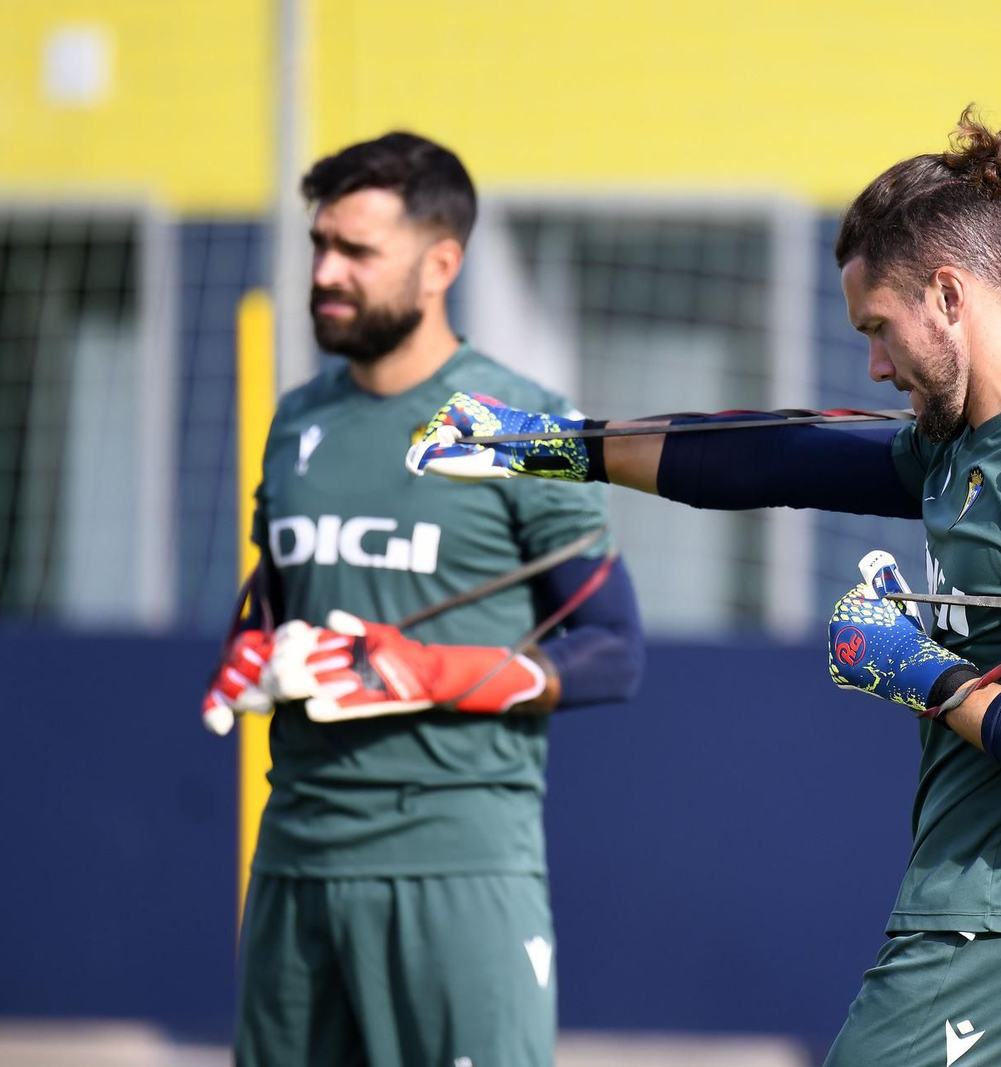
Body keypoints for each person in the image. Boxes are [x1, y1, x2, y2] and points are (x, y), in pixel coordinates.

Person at [409, 107, 1001, 1066]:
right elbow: (778, 460)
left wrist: (923, 675)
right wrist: (561, 448)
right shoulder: (971, 444)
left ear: (949, 294)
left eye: (880, 328)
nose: (872, 363)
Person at [200, 131, 645, 1067]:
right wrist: (250, 637)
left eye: (356, 251)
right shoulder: (298, 420)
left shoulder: (521, 425)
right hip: (295, 860)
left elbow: (612, 648)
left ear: (442, 262)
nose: (326, 271)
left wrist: (431, 671)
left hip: (457, 867)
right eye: (320, 244)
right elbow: (279, 585)